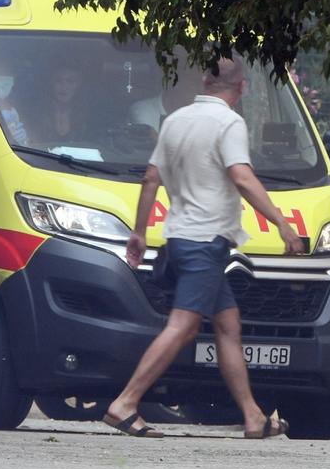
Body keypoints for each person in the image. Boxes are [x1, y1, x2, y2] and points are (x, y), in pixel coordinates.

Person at [102, 57, 304, 439]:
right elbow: (241, 177)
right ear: (242, 88)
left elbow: (150, 179)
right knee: (183, 325)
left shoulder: (175, 120)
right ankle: (125, 403)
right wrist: (282, 223)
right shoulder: (229, 123)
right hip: (205, 243)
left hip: (179, 238)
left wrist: (140, 232)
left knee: (228, 325)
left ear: (205, 82)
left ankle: (252, 417)